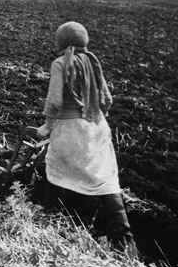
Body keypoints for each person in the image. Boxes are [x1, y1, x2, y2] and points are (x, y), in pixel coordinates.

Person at [36, 21, 135, 253]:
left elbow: (55, 101)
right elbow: (106, 98)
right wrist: (95, 116)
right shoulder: (93, 62)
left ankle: (46, 218)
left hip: (72, 128)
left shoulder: (60, 63)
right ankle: (126, 241)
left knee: (56, 167)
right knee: (104, 178)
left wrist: (48, 126)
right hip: (98, 125)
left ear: (62, 40)